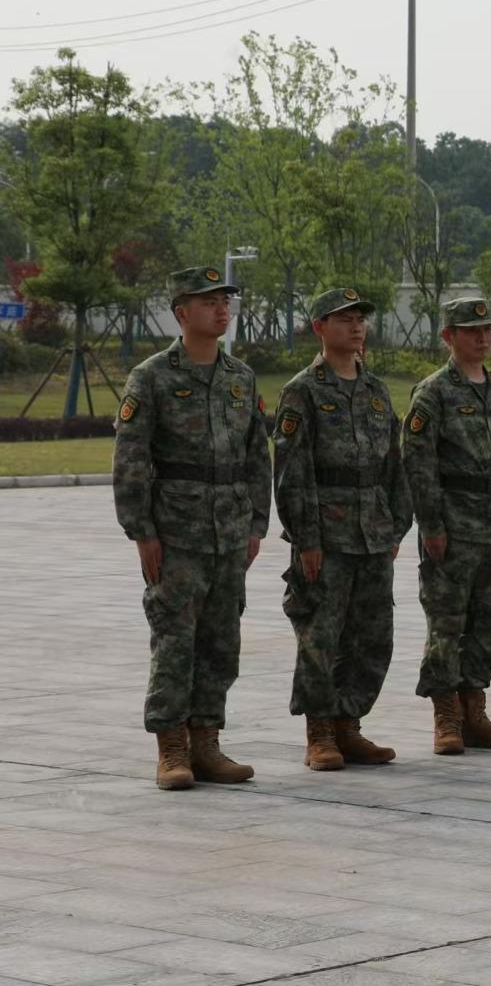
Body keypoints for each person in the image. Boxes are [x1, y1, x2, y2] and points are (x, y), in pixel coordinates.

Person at [112, 265, 270, 790]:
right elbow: (131, 459)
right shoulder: (152, 377)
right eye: (208, 302)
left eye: (225, 301)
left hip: (229, 530)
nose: (221, 310)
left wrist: (256, 525)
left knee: (221, 641)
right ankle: (172, 746)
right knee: (175, 638)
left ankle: (207, 741)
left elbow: (257, 458)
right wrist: (142, 531)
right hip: (176, 531)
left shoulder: (240, 378)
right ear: (182, 314)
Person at [272, 287, 408, 771]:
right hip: (327, 535)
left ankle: (350, 725)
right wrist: (306, 537)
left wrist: (396, 527)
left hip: (373, 532)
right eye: (343, 318)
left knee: (372, 635)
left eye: (359, 319)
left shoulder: (375, 390)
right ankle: (320, 732)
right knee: (321, 636)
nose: (355, 326)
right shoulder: (302, 391)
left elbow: (395, 465)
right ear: (319, 328)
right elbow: (292, 472)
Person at [404, 298, 491, 754]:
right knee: (448, 621)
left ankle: (475, 707)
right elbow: (419, 464)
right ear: (448, 337)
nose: (481, 337)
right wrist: (432, 524)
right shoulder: (433, 393)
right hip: (454, 526)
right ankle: (447, 715)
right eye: (470, 330)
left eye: (486, 329)